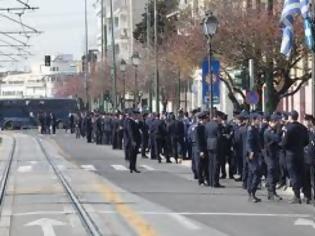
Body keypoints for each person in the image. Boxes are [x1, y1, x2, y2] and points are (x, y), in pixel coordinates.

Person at [282, 110, 309, 204]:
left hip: (290, 154)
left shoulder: (288, 128)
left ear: (290, 117)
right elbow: (307, 141)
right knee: (300, 173)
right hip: (300, 153)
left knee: (293, 175)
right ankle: (304, 194)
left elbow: (284, 142)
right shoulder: (303, 128)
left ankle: (297, 196)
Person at [264, 114, 282, 201]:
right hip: (270, 156)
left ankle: (273, 192)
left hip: (274, 155)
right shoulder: (268, 132)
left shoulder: (273, 130)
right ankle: (271, 192)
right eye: (275, 122)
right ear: (271, 122)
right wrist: (279, 130)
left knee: (275, 174)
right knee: (271, 174)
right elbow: (277, 139)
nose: (277, 124)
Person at [246, 113, 262, 203]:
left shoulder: (255, 129)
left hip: (256, 154)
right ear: (253, 120)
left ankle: (252, 193)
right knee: (255, 172)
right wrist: (251, 151)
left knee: (253, 173)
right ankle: (251, 192)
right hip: (252, 155)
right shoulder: (251, 130)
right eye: (258, 120)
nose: (259, 121)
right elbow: (248, 142)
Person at [205, 111, 223, 188]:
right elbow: (219, 137)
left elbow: (205, 135)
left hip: (209, 145)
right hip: (216, 145)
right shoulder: (217, 126)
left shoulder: (207, 125)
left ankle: (210, 181)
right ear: (217, 117)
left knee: (210, 164)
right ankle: (215, 182)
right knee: (216, 164)